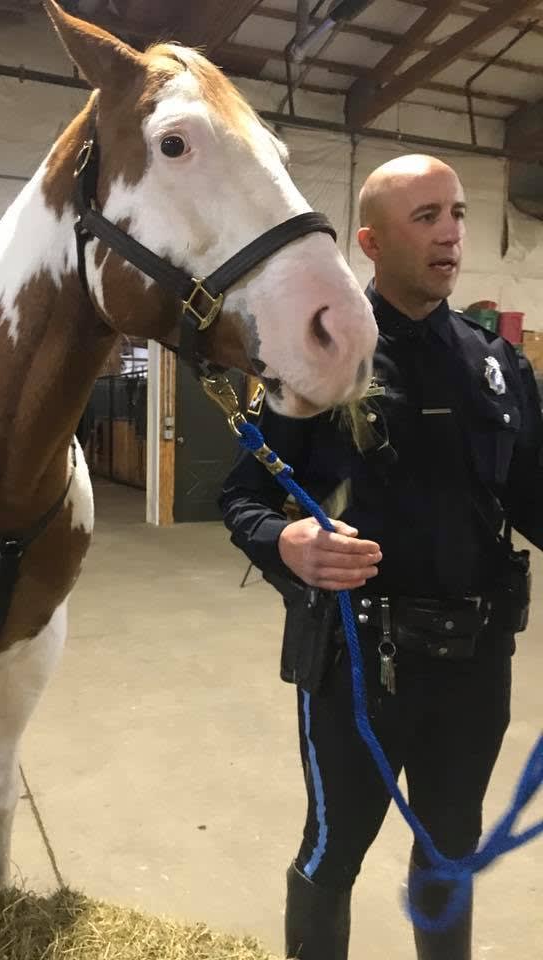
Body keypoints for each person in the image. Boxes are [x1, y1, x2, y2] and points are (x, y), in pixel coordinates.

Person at [219, 154, 543, 960]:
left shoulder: (497, 364)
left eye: (457, 213)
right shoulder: (320, 358)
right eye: (425, 217)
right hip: (360, 666)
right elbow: (243, 496)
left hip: (476, 664)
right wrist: (284, 542)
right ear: (370, 242)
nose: (451, 234)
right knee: (334, 852)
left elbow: (533, 497)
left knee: (450, 850)